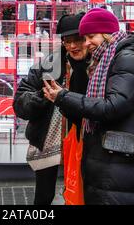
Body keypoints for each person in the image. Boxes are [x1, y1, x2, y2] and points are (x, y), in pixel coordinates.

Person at [43, 8, 134, 205]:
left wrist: (64, 97)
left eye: (90, 36)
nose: (86, 43)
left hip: (118, 161)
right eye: (84, 38)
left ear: (107, 32)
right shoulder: (109, 57)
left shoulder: (127, 58)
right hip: (110, 159)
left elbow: (112, 107)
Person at [13, 13, 89, 205]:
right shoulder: (49, 65)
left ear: (87, 38)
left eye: (78, 39)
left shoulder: (97, 66)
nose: (72, 46)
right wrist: (41, 97)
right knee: (43, 196)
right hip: (48, 140)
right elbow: (20, 103)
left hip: (86, 142)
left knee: (83, 192)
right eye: (67, 41)